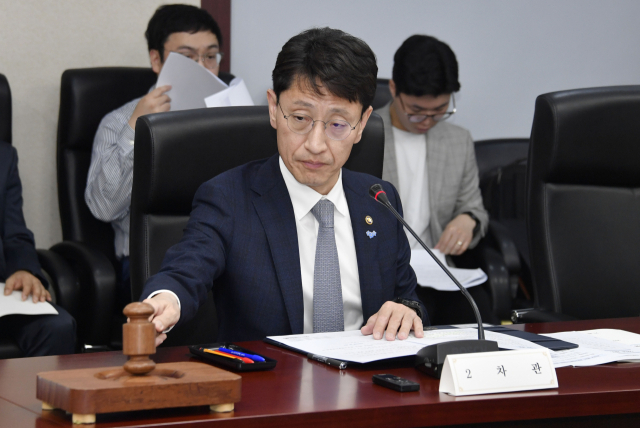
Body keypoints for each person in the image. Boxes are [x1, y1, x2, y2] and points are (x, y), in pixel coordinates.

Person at [141, 27, 427, 346]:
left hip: (368, 389)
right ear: (274, 108)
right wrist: (165, 299)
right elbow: (188, 268)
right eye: (301, 118)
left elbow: (407, 298)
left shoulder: (379, 201)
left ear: (361, 124)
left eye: (337, 124)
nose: (316, 145)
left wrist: (406, 311)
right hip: (271, 385)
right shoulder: (229, 198)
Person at [85, 4, 233, 307]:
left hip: (227, 254)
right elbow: (102, 207)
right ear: (156, 59)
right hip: (150, 260)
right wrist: (135, 130)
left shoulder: (234, 118)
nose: (202, 68)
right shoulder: (118, 122)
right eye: (188, 58)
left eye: (210, 56)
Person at [375, 35, 494, 324]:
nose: (427, 120)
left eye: (439, 110)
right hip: (384, 274)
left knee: (481, 324)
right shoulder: (364, 134)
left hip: (439, 273)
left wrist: (469, 220)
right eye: (416, 111)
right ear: (393, 89)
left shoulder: (457, 141)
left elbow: (474, 207)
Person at [0, 142, 76, 357]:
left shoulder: (4, 157)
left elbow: (14, 233)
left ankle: (34, 393)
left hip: (1, 293)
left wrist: (23, 270)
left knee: (57, 327)